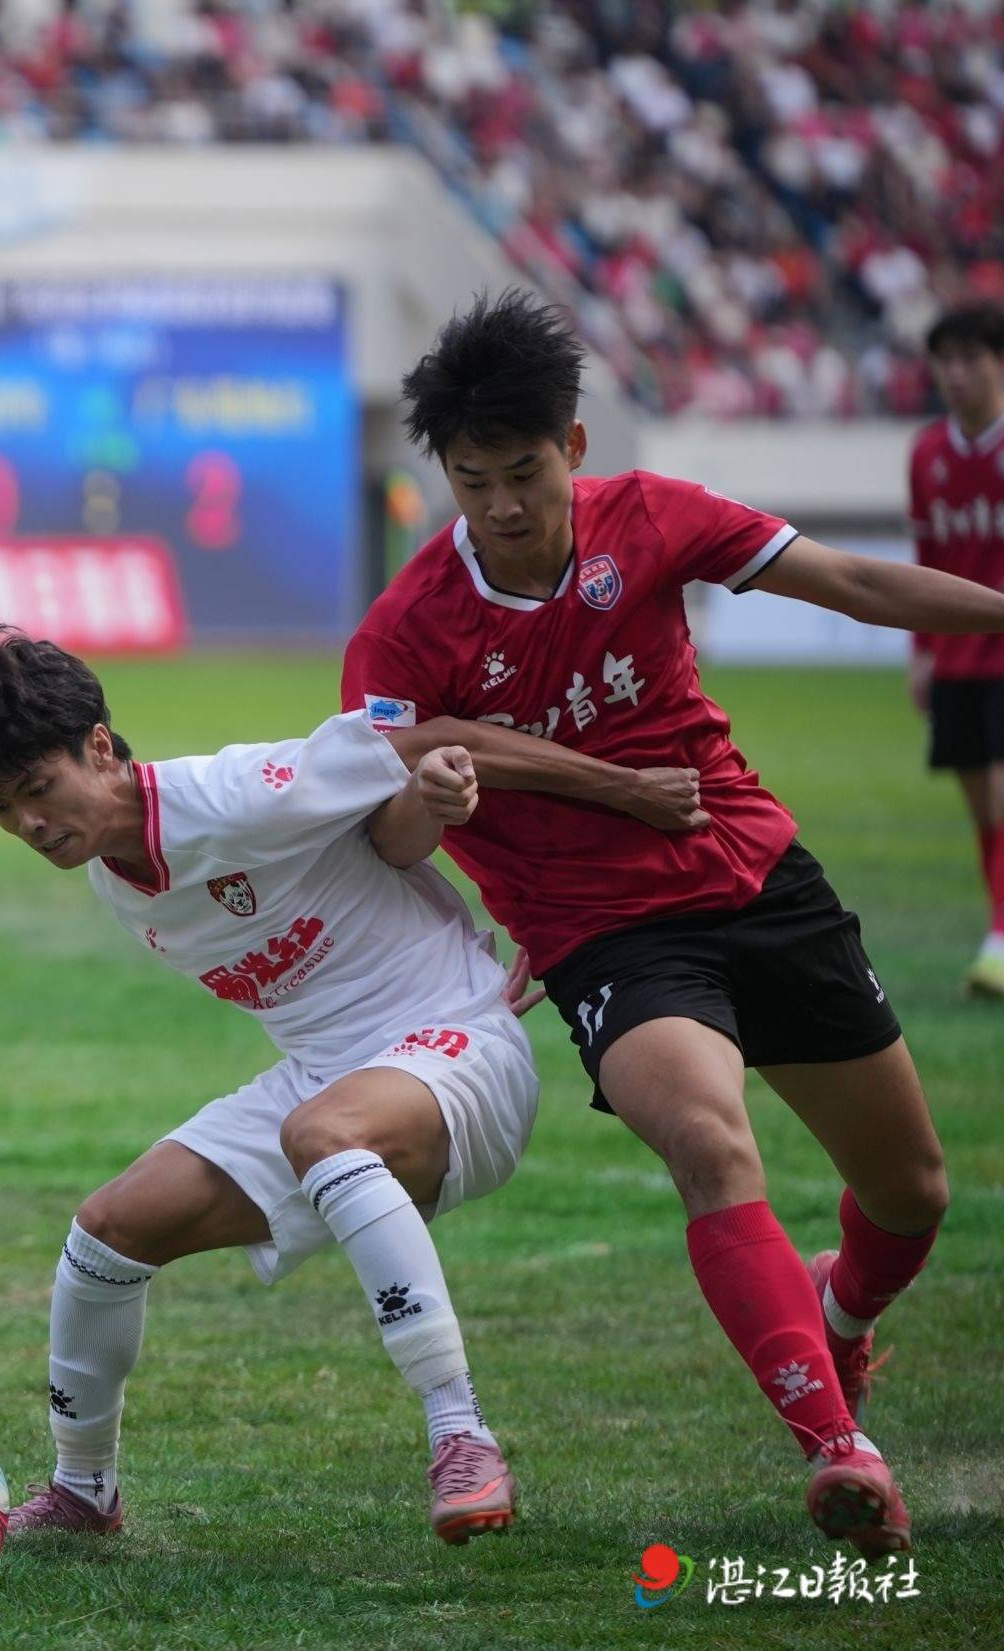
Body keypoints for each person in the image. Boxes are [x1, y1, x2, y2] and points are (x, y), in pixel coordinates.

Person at [343, 291, 1004, 1557]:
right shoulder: (404, 631)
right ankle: (837, 1447)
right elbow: (384, 828)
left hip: (755, 875)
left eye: (524, 473)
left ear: (574, 449)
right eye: (471, 480)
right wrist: (438, 802)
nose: (501, 507)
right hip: (605, 938)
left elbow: (856, 580)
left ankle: (842, 1307)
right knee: (711, 1140)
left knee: (913, 1192)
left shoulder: (649, 519)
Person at [0, 626, 709, 1544]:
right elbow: (390, 845)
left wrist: (627, 795)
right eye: (1, 807)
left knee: (322, 1132)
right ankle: (81, 1492)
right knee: (105, 1237)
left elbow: (441, 740)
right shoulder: (109, 865)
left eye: (37, 789)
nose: (27, 823)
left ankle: (463, 1434)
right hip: (326, 1082)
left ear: (100, 746)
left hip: (457, 1044)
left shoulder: (230, 795)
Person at [908, 301, 1004, 997]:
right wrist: (921, 650)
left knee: (1002, 797)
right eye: (947, 361)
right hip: (957, 658)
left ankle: (999, 939)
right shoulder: (929, 455)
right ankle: (999, 930)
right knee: (984, 809)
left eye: (972, 358)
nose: (958, 374)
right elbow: (928, 553)